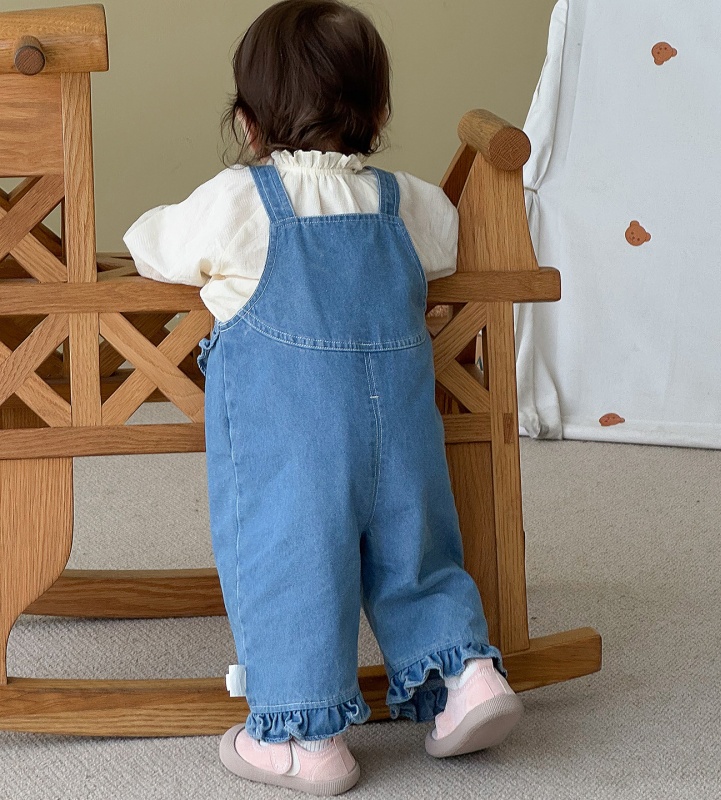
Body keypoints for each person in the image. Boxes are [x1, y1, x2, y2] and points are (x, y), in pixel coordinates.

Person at [124, 1, 523, 793]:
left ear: (247, 124)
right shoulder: (405, 201)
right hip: (403, 429)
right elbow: (449, 244)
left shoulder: (238, 202)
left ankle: (306, 742)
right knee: (416, 545)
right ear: (378, 114)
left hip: (294, 444)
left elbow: (149, 245)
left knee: (291, 559)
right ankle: (468, 676)